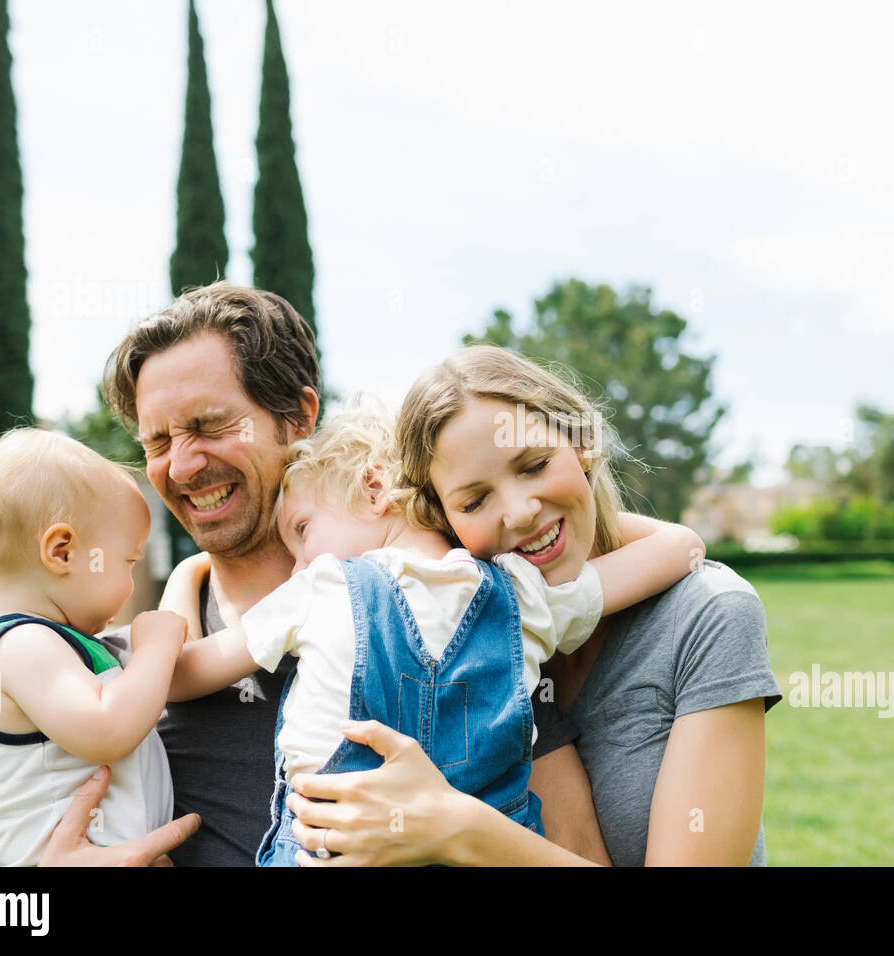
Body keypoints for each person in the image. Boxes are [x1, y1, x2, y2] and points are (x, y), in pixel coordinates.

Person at [47, 281, 609, 865]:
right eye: (158, 441)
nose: (183, 464)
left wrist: (461, 829)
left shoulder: (447, 619)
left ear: (299, 416)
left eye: (210, 426)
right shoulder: (113, 683)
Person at [283, 346, 782, 865]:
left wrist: (460, 828)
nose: (520, 513)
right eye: (474, 501)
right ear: (443, 522)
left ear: (583, 443)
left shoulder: (710, 617)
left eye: (536, 465)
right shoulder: (463, 641)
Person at [158, 403, 704, 865]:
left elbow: (178, 674)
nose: (297, 563)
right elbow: (681, 546)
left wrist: (190, 570)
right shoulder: (522, 595)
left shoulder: (321, 588)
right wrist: (562, 497)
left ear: (375, 486)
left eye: (302, 531)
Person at [0, 428, 185, 866]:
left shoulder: (58, 644)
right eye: (129, 561)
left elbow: (190, 671)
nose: (130, 583)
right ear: (63, 551)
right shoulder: (20, 646)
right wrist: (155, 649)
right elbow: (107, 730)